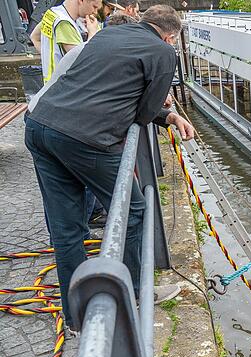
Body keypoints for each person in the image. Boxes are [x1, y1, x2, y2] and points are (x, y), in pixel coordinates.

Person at [24, 4, 194, 329]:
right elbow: (143, 113)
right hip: (86, 139)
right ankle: (134, 294)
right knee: (134, 211)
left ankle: (78, 316)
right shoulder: (163, 52)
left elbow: (103, 87)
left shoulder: (107, 35)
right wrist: (161, 111)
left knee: (66, 230)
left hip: (39, 125)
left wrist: (169, 116)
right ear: (170, 36)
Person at [30, 0, 102, 83]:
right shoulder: (64, 23)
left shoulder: (53, 13)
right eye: (94, 7)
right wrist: (93, 34)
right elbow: (82, 61)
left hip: (51, 85)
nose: (95, 12)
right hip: (63, 86)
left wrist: (48, 57)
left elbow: (34, 37)